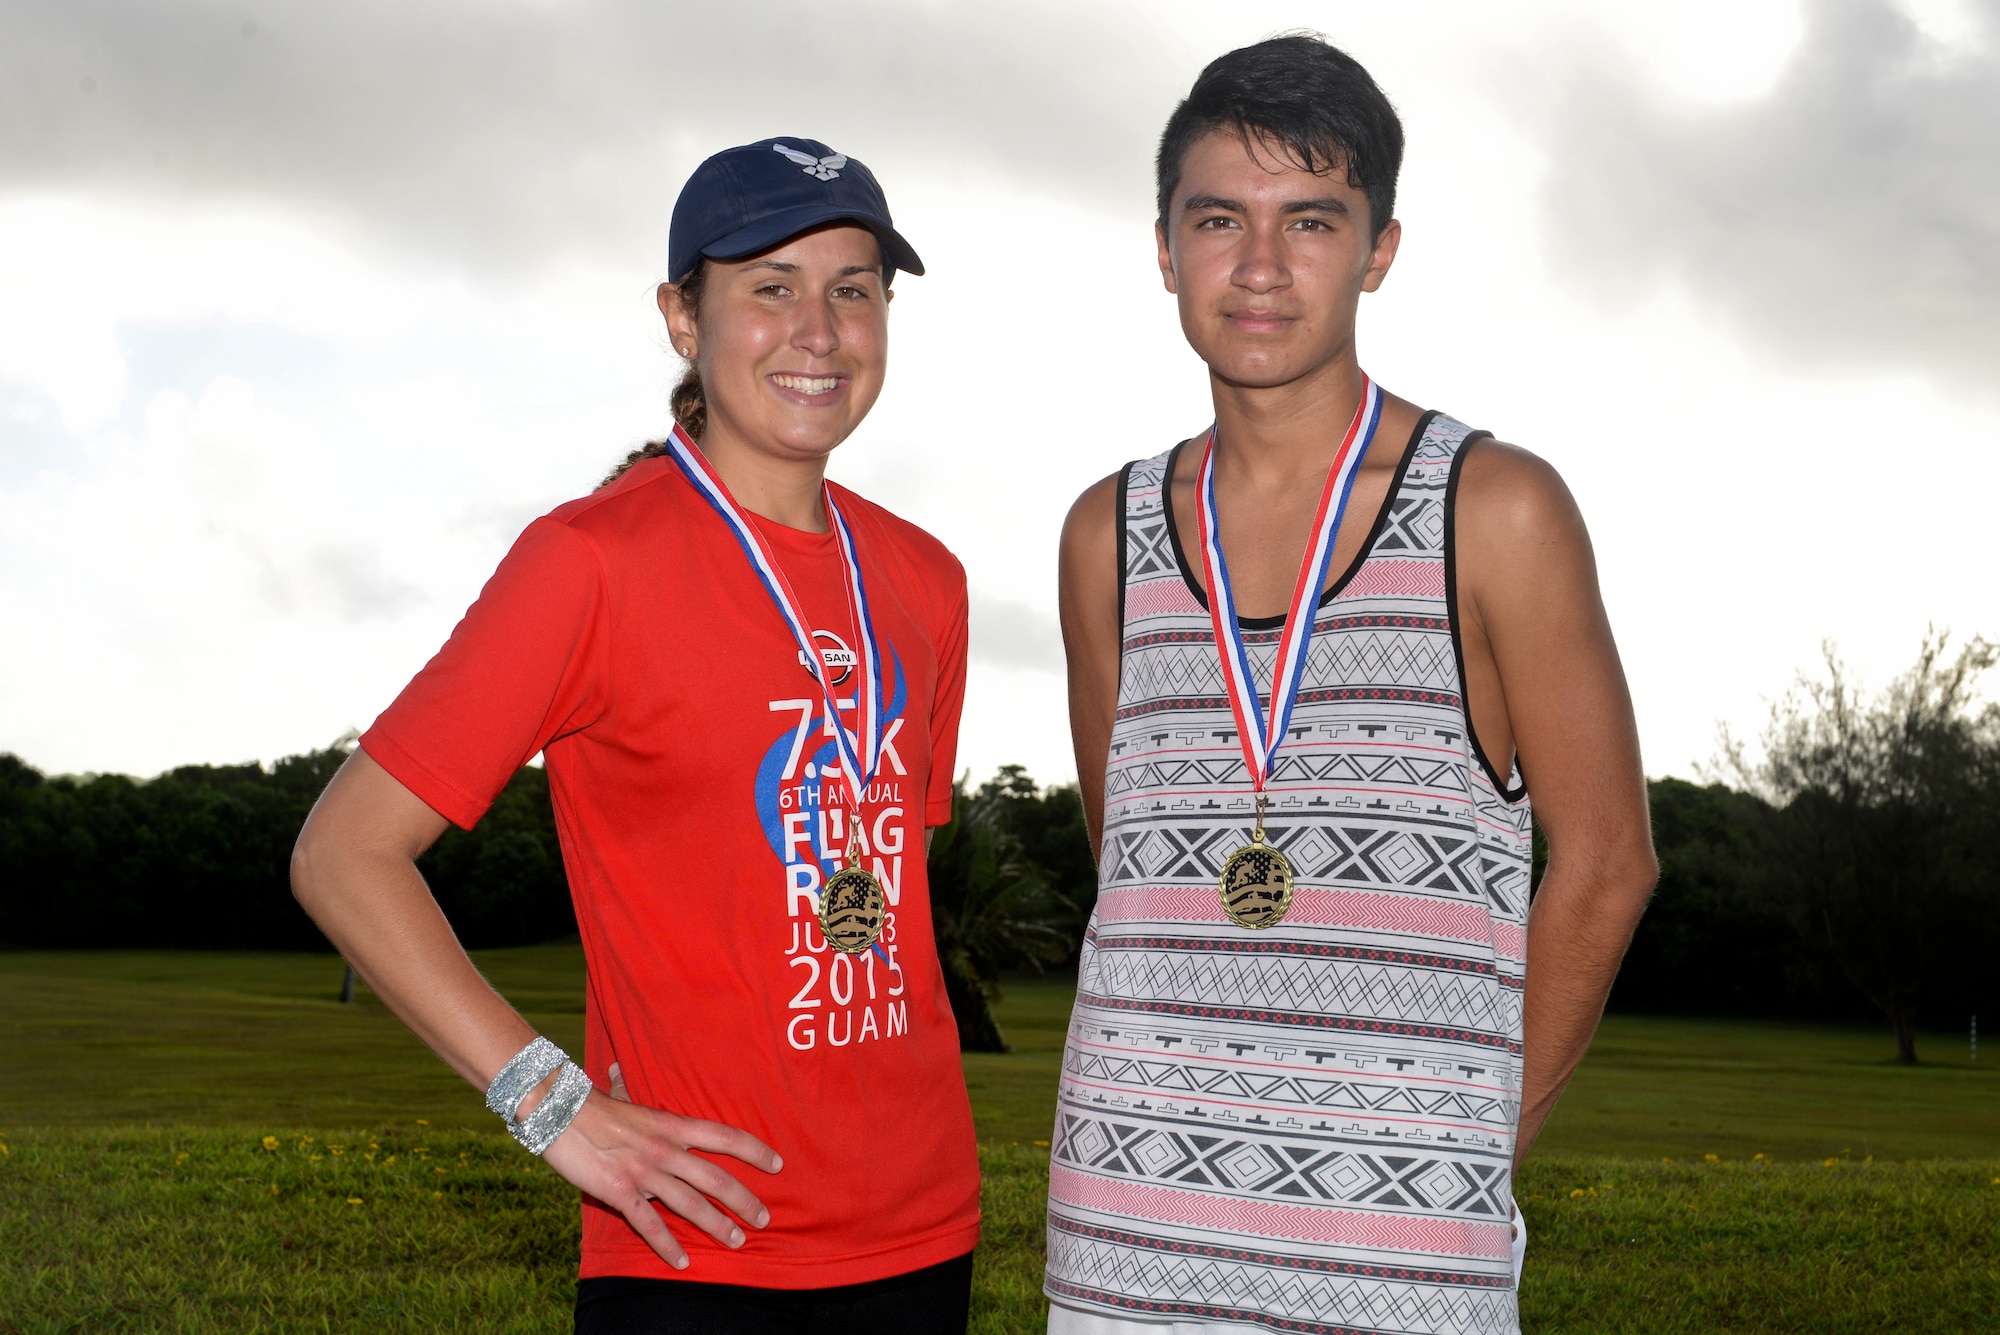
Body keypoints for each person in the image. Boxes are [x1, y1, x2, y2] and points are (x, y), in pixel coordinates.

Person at [291, 137, 981, 1334]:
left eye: (854, 290)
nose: (818, 329)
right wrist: (551, 1104)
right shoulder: (590, 562)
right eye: (769, 286)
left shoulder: (926, 580)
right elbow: (342, 854)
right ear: (681, 316)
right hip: (695, 1248)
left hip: (928, 1229)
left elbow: (880, 889)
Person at [1043, 36, 1656, 1335]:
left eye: (1310, 220)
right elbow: (1132, 857)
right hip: (1123, 1248)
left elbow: (1609, 859)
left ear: (1377, 248)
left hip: (1402, 1262)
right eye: (1219, 219)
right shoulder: (1105, 534)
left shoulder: (1497, 511)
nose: (1259, 267)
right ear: (1164, 249)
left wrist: (1473, 1148)